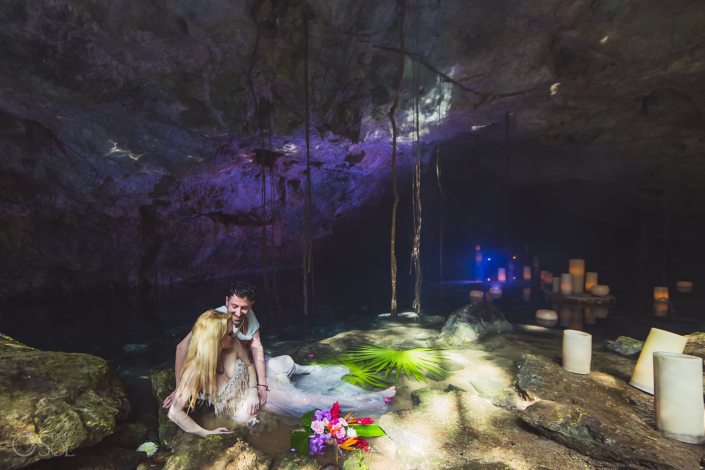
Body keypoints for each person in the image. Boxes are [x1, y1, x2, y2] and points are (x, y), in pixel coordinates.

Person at [168, 310, 395, 436]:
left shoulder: (232, 343)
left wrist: (253, 392)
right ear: (214, 340)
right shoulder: (194, 372)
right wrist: (203, 432)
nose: (233, 334)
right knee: (287, 410)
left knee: (304, 401)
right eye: (228, 333)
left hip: (252, 390)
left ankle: (367, 399)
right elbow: (174, 413)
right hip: (237, 409)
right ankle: (363, 402)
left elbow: (249, 366)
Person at [163, 280, 293, 413]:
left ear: (251, 305)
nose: (238, 312)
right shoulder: (216, 320)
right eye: (234, 306)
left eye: (244, 308)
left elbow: (257, 347)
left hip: (246, 368)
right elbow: (181, 347)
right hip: (228, 379)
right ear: (227, 301)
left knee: (287, 363)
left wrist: (261, 385)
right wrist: (179, 390)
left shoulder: (250, 315)